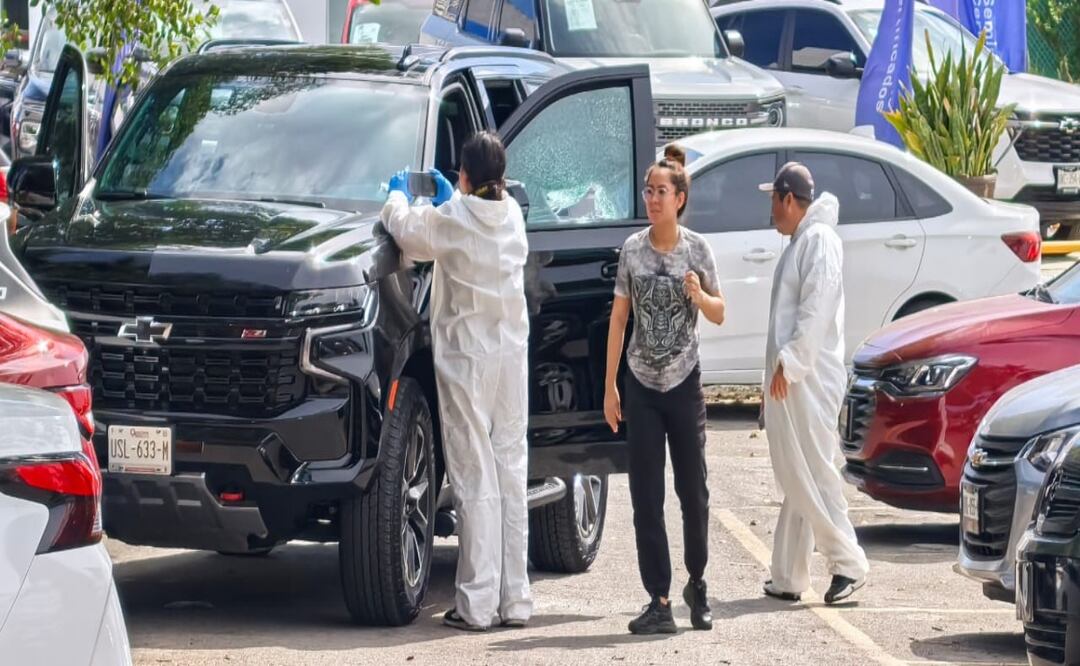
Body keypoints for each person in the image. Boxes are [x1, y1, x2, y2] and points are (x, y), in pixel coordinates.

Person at [381, 131, 532, 632]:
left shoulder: (457, 219)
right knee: (510, 468)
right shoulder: (511, 214)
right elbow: (471, 219)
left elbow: (405, 232)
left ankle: (475, 604)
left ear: (464, 176)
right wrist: (456, 198)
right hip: (510, 356)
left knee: (474, 475)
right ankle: (515, 601)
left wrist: (398, 193)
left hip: (468, 359)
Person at [603, 148, 726, 634]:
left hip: (684, 382)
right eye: (648, 191)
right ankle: (658, 598)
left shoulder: (697, 250)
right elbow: (619, 317)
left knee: (693, 492)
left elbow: (720, 313)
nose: (652, 199)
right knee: (645, 497)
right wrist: (610, 384)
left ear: (680, 199)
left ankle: (698, 583)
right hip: (641, 385)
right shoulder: (633, 249)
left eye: (661, 192)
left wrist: (698, 295)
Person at [759, 162, 869, 605]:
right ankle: (788, 574)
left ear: (789, 199)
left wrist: (791, 363)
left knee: (815, 472)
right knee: (797, 472)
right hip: (793, 379)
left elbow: (815, 312)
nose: (770, 209)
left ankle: (849, 564)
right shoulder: (802, 241)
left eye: (773, 199)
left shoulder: (819, 241)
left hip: (810, 379)